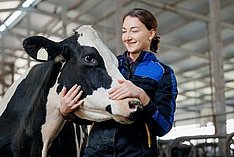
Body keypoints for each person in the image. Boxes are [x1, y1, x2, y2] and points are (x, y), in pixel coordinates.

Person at [59, 8, 178, 157]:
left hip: (137, 153)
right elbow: (91, 114)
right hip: (95, 152)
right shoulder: (108, 64)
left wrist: (142, 95)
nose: (127, 37)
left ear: (151, 33)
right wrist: (67, 112)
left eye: (134, 31)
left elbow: (164, 126)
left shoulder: (163, 72)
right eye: (124, 31)